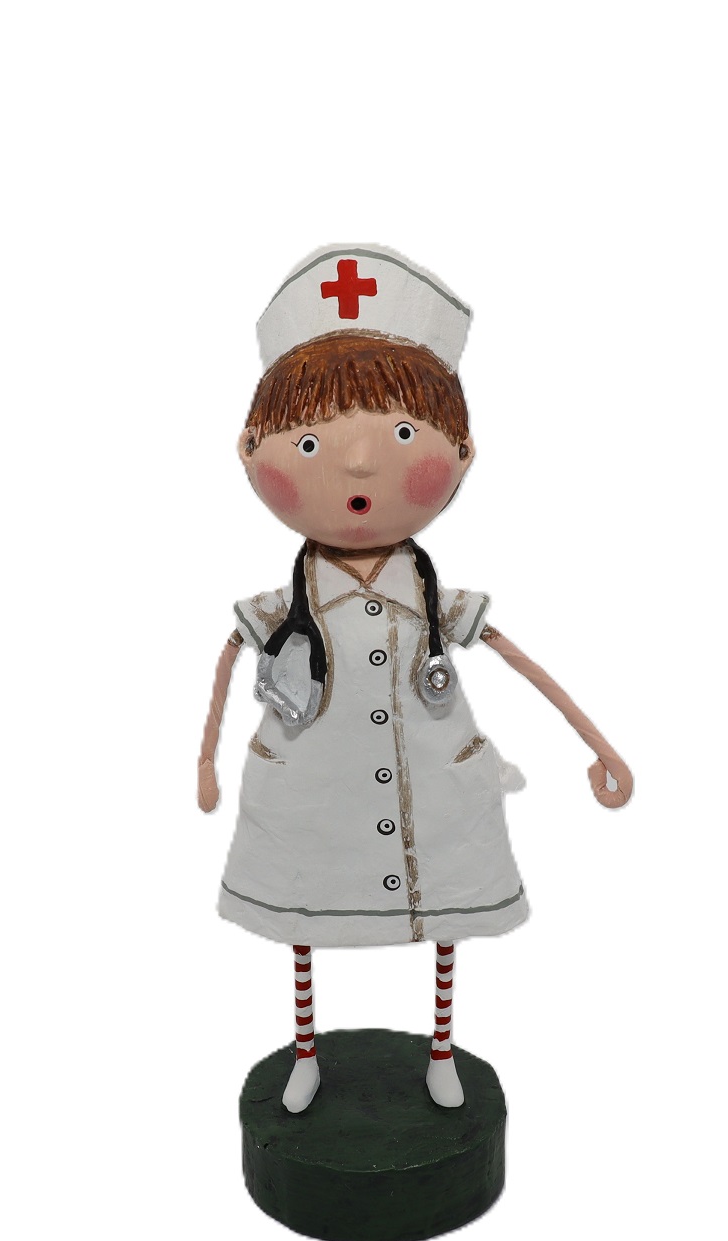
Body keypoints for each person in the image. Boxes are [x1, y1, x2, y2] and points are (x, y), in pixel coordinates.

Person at [197, 246, 632, 1114]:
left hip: (434, 784)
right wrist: (204, 764)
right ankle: (307, 1049)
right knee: (301, 917)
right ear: (249, 451)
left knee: (445, 918)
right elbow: (226, 664)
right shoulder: (279, 609)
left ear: (462, 451)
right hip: (308, 793)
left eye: (402, 435)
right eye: (311, 442)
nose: (359, 464)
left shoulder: (437, 604)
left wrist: (600, 747)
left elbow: (519, 660)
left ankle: (440, 1047)